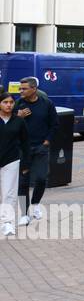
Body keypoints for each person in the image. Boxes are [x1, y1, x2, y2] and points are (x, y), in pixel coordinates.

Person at [14, 77, 55, 226]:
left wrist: (47, 141)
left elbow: (54, 124)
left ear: (34, 89)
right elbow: (7, 123)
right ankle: (24, 214)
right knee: (23, 182)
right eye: (20, 88)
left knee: (41, 178)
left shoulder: (47, 104)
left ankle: (36, 203)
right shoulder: (18, 104)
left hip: (41, 148)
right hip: (22, 149)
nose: (21, 91)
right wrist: (18, 117)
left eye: (24, 88)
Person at [0, 92, 29, 237]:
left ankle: (7, 223)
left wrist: (25, 164)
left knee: (9, 193)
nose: (9, 105)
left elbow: (25, 143)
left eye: (11, 102)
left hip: (11, 160)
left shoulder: (19, 121)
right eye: (5, 102)